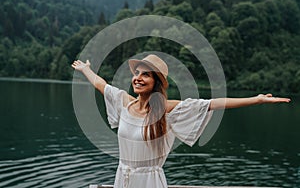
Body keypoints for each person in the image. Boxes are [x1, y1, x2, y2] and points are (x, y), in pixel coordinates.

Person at [71, 54, 290, 188]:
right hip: (123, 177)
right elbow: (101, 85)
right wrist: (86, 69)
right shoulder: (124, 103)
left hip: (149, 182)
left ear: (156, 82)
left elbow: (212, 103)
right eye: (136, 73)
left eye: (145, 74)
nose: (138, 77)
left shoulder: (167, 110)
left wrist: (257, 100)